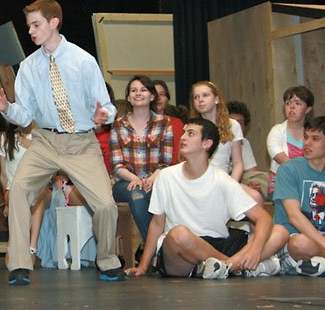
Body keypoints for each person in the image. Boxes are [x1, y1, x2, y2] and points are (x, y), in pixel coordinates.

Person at [0, 0, 121, 285]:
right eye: (29, 26)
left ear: (54, 22)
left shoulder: (83, 60)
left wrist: (103, 114)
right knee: (18, 190)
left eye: (36, 25)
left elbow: (108, 106)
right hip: (45, 141)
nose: (31, 31)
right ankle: (20, 263)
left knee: (106, 205)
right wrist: (5, 107)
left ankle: (107, 260)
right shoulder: (29, 67)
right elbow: (24, 116)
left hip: (81, 143)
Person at [126, 118, 288, 279]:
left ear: (206, 144)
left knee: (280, 232)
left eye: (190, 133)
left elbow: (264, 218)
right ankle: (235, 267)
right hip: (180, 253)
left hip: (217, 244)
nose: (182, 137)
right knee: (179, 234)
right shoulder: (166, 176)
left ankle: (224, 267)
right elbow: (157, 224)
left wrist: (255, 250)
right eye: (183, 133)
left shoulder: (221, 179)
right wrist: (143, 266)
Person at [110, 75, 172, 242]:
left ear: (152, 96)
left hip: (155, 180)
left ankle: (151, 251)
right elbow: (117, 165)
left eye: (143, 90)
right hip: (124, 183)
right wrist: (135, 179)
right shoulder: (118, 124)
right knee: (136, 193)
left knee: (151, 193)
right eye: (134, 90)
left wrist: (151, 179)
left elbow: (166, 163)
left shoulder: (164, 123)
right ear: (129, 97)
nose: (138, 93)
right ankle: (156, 248)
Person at [189, 81, 263, 204]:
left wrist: (231, 186)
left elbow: (238, 163)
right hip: (198, 180)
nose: (200, 100)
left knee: (256, 197)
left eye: (205, 95)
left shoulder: (232, 125)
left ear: (216, 99)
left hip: (224, 179)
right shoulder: (190, 127)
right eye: (196, 97)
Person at [272, 116, 325, 276]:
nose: (307, 143)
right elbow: (294, 216)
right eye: (306, 137)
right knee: (300, 243)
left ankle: (319, 264)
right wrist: (323, 243)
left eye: (315, 139)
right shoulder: (288, 169)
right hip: (293, 239)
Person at [0, 119, 45, 261]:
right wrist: (7, 203)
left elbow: (49, 167)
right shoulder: (4, 137)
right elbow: (3, 174)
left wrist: (32, 149)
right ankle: (14, 245)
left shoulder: (39, 136)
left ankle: (31, 247)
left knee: (37, 196)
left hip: (36, 187)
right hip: (13, 188)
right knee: (20, 196)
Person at [267, 86, 314, 196]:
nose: (292, 107)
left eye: (297, 103)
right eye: (288, 103)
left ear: (308, 109)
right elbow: (281, 159)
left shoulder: (314, 133)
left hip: (310, 183)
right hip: (281, 184)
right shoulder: (277, 131)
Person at [227, 100, 269, 199]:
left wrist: (254, 184)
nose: (235, 126)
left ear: (245, 126)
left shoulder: (244, 142)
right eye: (232, 121)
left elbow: (253, 173)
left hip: (241, 180)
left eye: (240, 122)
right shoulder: (216, 140)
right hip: (222, 179)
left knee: (266, 178)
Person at [154, 80, 183, 162]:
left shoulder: (176, 123)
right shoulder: (140, 122)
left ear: (168, 99)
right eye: (155, 94)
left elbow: (180, 154)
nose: (158, 98)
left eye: (162, 94)